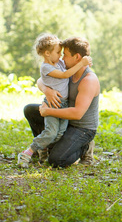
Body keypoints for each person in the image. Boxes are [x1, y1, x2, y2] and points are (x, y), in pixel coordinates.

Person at [23, 36, 100, 168]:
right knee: (30, 110)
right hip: (65, 117)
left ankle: (84, 146)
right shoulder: (66, 69)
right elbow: (41, 80)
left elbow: (77, 114)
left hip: (81, 128)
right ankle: (44, 147)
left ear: (77, 57)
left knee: (57, 160)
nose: (62, 58)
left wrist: (48, 111)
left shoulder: (88, 80)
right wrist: (47, 90)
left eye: (65, 54)